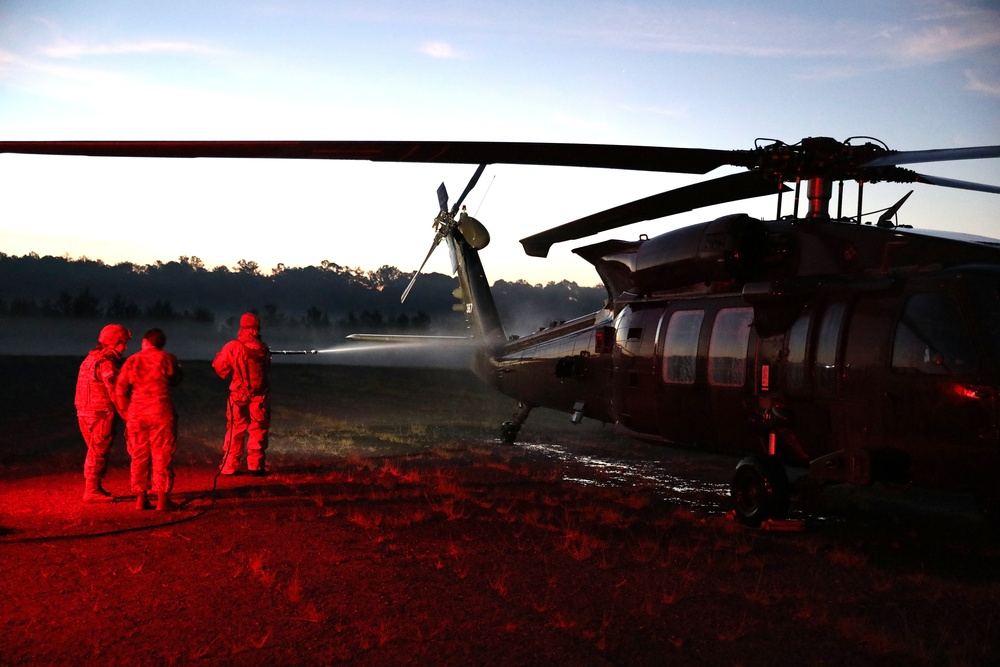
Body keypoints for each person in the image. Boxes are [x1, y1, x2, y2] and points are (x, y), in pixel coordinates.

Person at [115, 328, 183, 511]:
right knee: (162, 454)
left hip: (137, 413)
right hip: (161, 411)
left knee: (139, 455)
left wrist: (127, 413)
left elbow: (120, 390)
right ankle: (162, 499)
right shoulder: (168, 359)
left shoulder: (132, 360)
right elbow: (176, 380)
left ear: (145, 341)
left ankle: (141, 498)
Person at [75, 324, 132, 503]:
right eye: (123, 342)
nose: (126, 347)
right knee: (98, 450)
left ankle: (95, 487)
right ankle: (91, 490)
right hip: (100, 414)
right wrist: (128, 416)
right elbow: (116, 391)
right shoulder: (106, 362)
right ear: (114, 342)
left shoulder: (90, 358)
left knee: (94, 449)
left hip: (84, 412)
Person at [212, 312, 271, 476]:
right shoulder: (263, 347)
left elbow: (220, 367)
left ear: (242, 327)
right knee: (258, 429)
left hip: (238, 395)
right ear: (256, 328)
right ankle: (256, 466)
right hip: (260, 396)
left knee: (235, 430)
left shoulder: (232, 346)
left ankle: (229, 466)